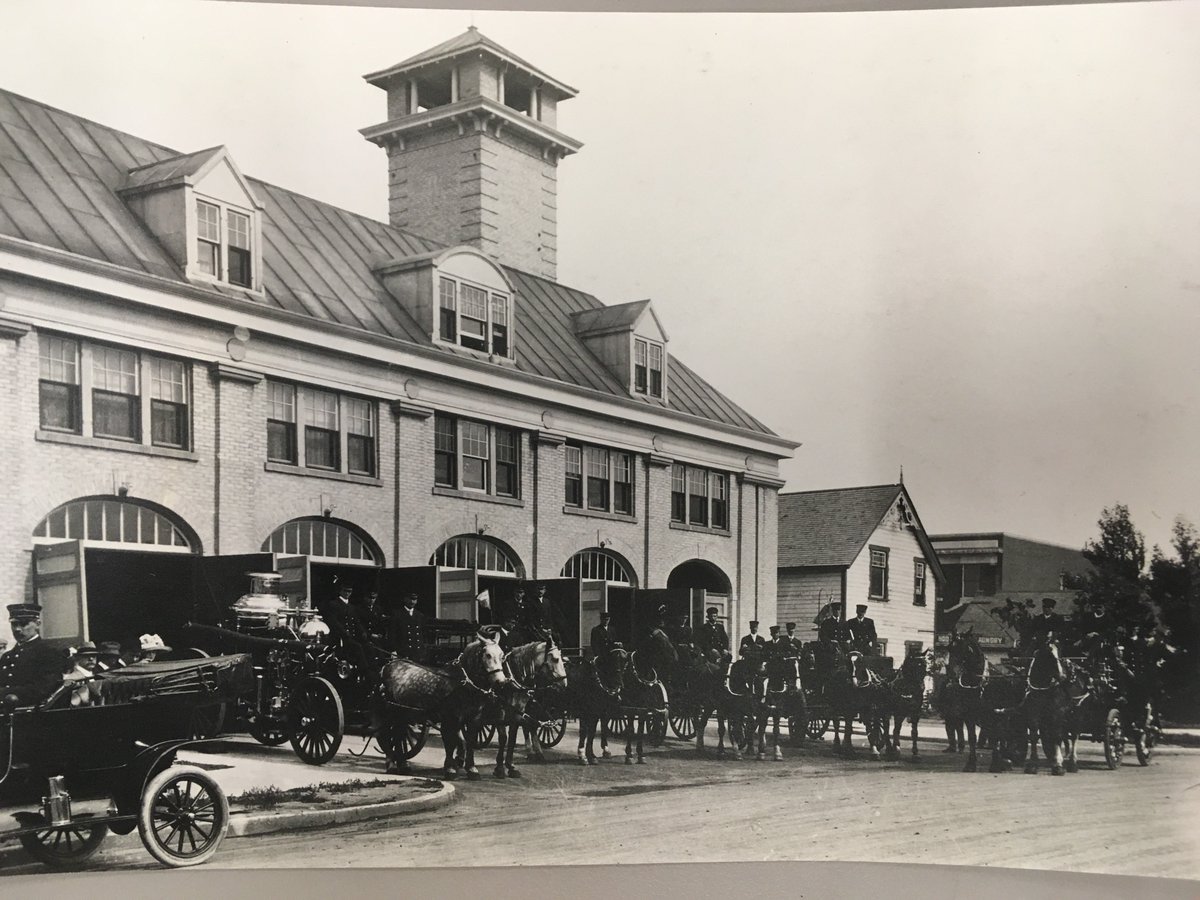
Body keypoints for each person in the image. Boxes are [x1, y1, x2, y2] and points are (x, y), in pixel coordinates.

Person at [0, 604, 66, 707]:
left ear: (37, 624)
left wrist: (6, 692)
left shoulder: (49, 652)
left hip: (32, 715)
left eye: (23, 624)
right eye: (14, 624)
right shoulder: (7, 656)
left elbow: (43, 688)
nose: (17, 629)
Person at [388, 592, 427, 663]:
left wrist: (422, 652)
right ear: (405, 599)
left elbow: (422, 635)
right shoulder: (397, 614)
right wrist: (393, 650)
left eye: (414, 599)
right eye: (410, 599)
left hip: (417, 653)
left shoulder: (419, 615)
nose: (412, 602)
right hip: (402, 653)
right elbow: (392, 634)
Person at [63, 642, 102, 707]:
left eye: (94, 656)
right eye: (86, 656)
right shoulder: (71, 679)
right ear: (78, 658)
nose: (91, 659)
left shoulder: (97, 676)